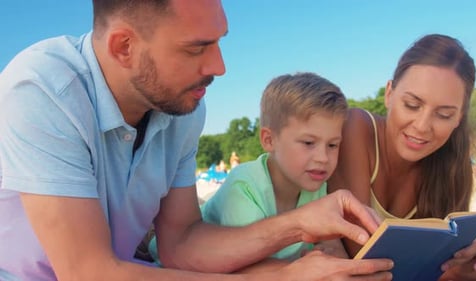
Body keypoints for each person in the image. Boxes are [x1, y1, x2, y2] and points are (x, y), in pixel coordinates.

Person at [0, 1, 394, 280]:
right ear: (124, 47)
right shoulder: (43, 89)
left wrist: (299, 225)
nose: (219, 67)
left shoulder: (181, 108)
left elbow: (180, 243)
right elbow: (88, 272)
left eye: (219, 41)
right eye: (196, 48)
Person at [327, 34, 476, 281]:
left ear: (459, 117)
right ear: (389, 94)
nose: (421, 126)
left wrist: (469, 268)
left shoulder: (451, 164)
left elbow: (441, 266)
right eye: (412, 104)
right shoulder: (356, 128)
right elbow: (367, 258)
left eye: (443, 115)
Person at [202, 72, 349, 261]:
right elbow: (246, 266)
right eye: (308, 143)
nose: (323, 158)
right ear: (269, 140)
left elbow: (333, 245)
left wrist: (331, 256)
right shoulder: (244, 187)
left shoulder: (316, 186)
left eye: (332, 145)